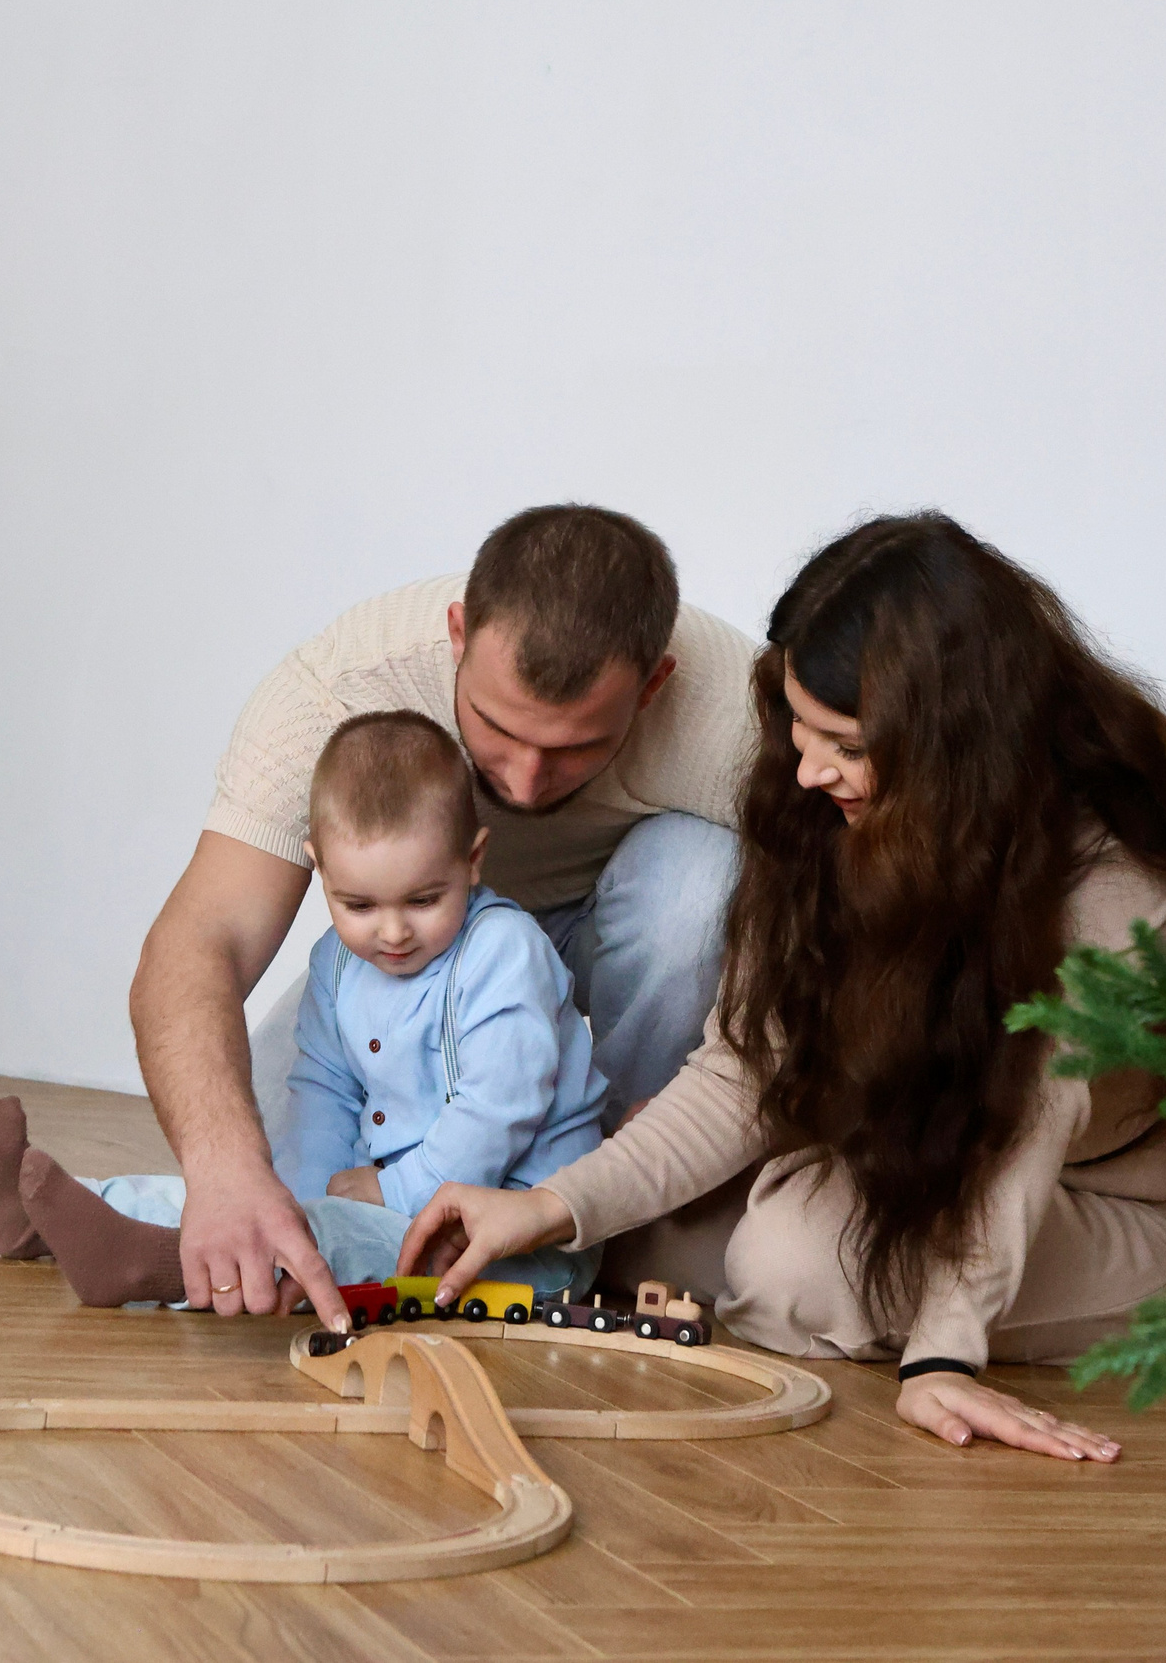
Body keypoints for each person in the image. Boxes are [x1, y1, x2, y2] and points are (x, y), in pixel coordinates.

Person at [396, 512, 1166, 1461]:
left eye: (847, 745)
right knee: (626, 1239)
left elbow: (1031, 1109)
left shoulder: (1118, 859)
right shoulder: (835, 801)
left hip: (1141, 1209)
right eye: (799, 725)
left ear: (952, 743)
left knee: (789, 1267)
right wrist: (545, 1203)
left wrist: (943, 1357)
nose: (810, 768)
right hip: (931, 1153)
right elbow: (744, 1067)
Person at [132, 504, 759, 1326]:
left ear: (653, 686)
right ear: (457, 635)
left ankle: (602, 1208)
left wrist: (676, 1132)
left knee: (700, 882)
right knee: (271, 1174)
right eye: (497, 728)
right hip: (420, 955)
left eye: (574, 746)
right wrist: (225, 1170)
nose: (526, 782)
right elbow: (197, 943)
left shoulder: (741, 719)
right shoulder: (340, 689)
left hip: (619, 945)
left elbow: (873, 920)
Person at [0, 712, 606, 1305]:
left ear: (472, 861)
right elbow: (323, 1090)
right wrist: (291, 1201)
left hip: (509, 1241)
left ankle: (152, 1268)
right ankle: (50, 1217)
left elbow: (497, 1110)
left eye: (423, 900)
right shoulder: (337, 963)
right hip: (385, 1202)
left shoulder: (504, 952)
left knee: (340, 1238)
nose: (392, 933)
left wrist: (390, 1193)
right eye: (359, 905)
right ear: (318, 868)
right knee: (240, 1204)